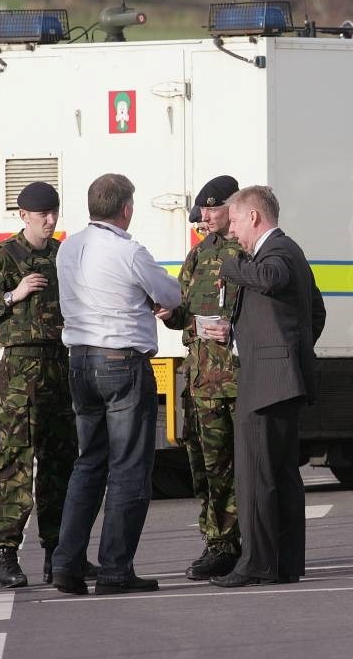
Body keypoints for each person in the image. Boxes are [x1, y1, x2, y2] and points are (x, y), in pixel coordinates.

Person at [51, 173, 183, 596]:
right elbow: (170, 294)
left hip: (80, 360)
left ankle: (67, 564)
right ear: (126, 208)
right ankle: (114, 569)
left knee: (88, 462)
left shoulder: (67, 247)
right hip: (121, 362)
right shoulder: (130, 251)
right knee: (129, 468)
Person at [0, 181, 80, 587]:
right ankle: (5, 552)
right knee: (16, 459)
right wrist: (13, 295)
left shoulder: (64, 256)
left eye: (54, 213)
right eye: (42, 214)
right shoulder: (4, 256)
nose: (49, 221)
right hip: (20, 368)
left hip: (58, 363)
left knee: (59, 458)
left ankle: (58, 551)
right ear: (23, 215)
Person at [208, 186, 326, 588]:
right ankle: (285, 562)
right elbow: (316, 311)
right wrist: (278, 344)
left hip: (269, 382)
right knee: (281, 475)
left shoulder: (276, 252)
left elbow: (271, 279)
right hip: (280, 379)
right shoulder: (287, 251)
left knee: (256, 476)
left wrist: (230, 267)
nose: (234, 231)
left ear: (255, 218)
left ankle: (256, 563)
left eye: (236, 221)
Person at [159, 175, 245, 581]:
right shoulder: (199, 255)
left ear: (234, 206)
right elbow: (182, 312)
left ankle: (234, 544)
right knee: (205, 466)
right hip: (199, 380)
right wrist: (166, 309)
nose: (204, 216)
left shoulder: (245, 250)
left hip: (235, 379)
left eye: (212, 208)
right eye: (203, 209)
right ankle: (216, 541)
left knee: (235, 465)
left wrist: (233, 327)